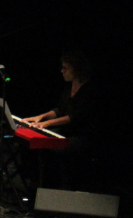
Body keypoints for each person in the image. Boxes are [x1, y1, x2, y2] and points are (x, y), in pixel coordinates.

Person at [21, 50, 101, 190]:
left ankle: (56, 187)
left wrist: (45, 124)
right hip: (65, 131)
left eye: (66, 68)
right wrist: (40, 117)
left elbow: (74, 117)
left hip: (83, 136)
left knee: (54, 149)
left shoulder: (90, 90)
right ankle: (36, 184)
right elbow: (59, 110)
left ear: (77, 69)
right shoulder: (69, 86)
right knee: (31, 144)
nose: (62, 71)